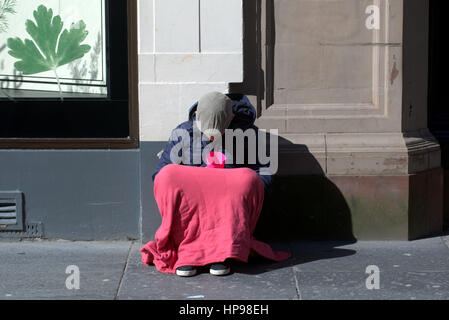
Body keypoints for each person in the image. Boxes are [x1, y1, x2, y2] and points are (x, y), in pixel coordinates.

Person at [141, 92, 290, 277]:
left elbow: (264, 173)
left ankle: (222, 251)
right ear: (197, 116)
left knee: (247, 178)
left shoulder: (247, 135)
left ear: (232, 118)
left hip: (225, 205)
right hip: (192, 207)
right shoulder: (183, 131)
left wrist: (237, 184)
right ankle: (188, 252)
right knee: (167, 175)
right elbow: (160, 172)